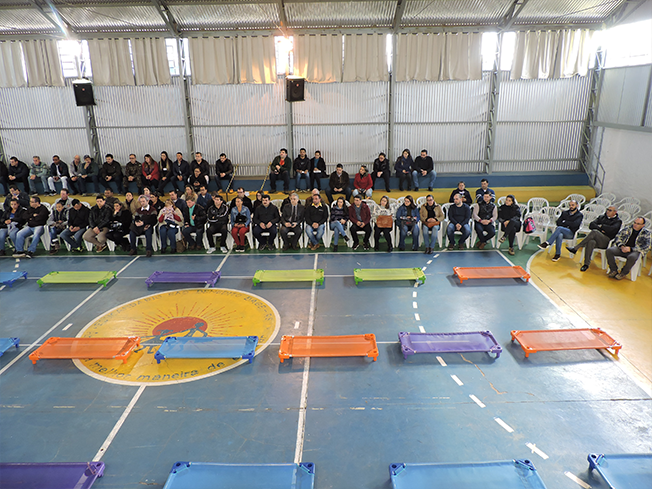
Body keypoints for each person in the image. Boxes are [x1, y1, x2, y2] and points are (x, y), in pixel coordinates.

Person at [566, 206, 622, 271]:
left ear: (615, 212)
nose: (608, 211)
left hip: (606, 240)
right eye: (607, 209)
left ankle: (576, 248)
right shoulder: (601, 217)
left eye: (610, 210)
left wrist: (601, 226)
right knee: (591, 242)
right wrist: (601, 229)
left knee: (594, 232)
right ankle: (586, 264)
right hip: (597, 238)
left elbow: (611, 230)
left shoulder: (618, 221)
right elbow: (591, 225)